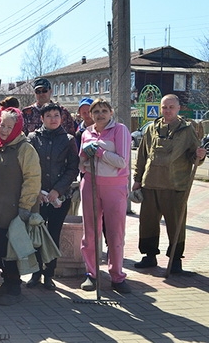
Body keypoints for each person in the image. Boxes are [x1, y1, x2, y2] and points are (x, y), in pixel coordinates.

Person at [133, 94, 206, 273]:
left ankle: (175, 261)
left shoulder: (187, 130)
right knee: (147, 223)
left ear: (178, 108)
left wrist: (199, 156)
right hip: (150, 185)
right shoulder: (151, 129)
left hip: (175, 186)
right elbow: (142, 156)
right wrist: (137, 180)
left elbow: (193, 157)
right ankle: (149, 256)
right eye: (164, 107)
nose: (167, 110)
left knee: (176, 225)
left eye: (171, 107)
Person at [0, 108, 41, 304]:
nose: (4, 130)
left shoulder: (25, 149)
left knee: (12, 249)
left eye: (9, 126)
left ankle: (14, 287)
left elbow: (33, 180)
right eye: (1, 125)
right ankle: (6, 282)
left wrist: (24, 208)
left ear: (17, 128)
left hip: (14, 211)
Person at [79, 98, 131, 294]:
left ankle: (117, 276)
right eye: (96, 111)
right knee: (90, 232)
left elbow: (122, 162)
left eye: (104, 110)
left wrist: (99, 152)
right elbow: (81, 164)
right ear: (91, 115)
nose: (100, 114)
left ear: (111, 112)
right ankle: (91, 274)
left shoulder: (120, 130)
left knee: (115, 233)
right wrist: (85, 155)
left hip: (114, 187)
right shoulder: (86, 133)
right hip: (90, 184)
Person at [27, 103, 79, 290]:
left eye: (56, 115)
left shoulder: (68, 139)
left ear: (61, 117)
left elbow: (73, 168)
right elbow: (28, 167)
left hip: (59, 198)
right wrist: (38, 190)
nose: (53, 119)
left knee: (53, 234)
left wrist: (58, 190)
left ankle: (49, 274)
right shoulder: (33, 138)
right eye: (48, 116)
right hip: (37, 197)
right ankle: (35, 274)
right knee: (36, 234)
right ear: (42, 118)